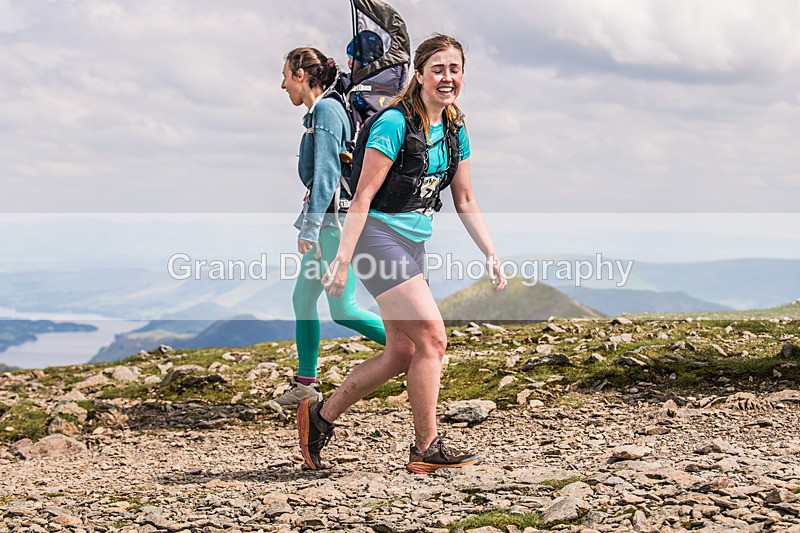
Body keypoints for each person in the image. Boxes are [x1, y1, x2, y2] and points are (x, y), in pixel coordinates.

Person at [297, 34, 507, 474]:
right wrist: (341, 260)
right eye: (438, 69)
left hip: (414, 241)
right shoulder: (395, 123)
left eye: (454, 69)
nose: (447, 78)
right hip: (376, 236)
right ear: (420, 74)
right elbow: (362, 197)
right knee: (433, 338)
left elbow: (465, 198)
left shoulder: (454, 127)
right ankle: (426, 447)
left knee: (402, 353)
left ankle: (320, 416)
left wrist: (490, 252)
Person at [277, 47, 387, 409]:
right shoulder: (326, 110)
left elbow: (325, 175)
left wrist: (309, 229)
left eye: (284, 75)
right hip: (329, 220)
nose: (281, 85)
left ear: (300, 74)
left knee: (343, 309)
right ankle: (306, 384)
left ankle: (419, 348)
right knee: (303, 299)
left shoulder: (325, 110)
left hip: (333, 224)